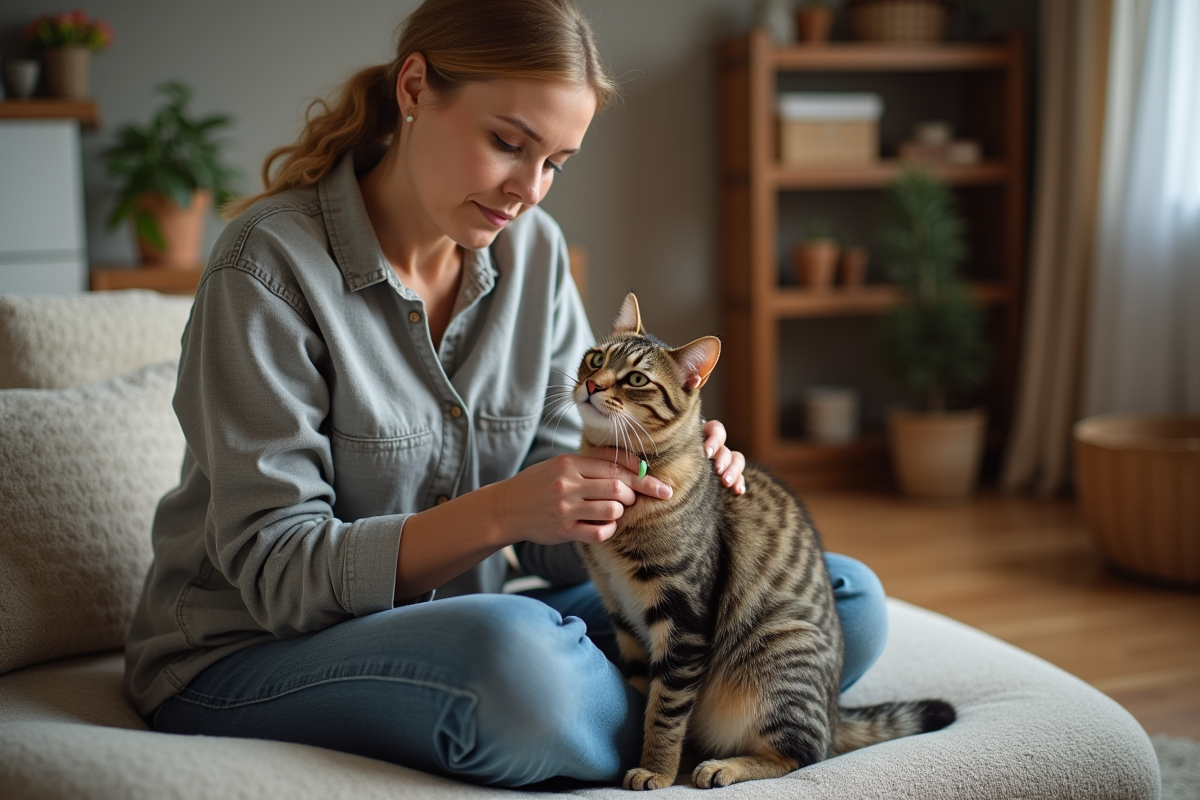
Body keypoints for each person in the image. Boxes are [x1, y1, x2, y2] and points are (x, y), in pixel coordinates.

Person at [124, 0, 889, 788]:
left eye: (556, 161)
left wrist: (666, 489)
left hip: (462, 622)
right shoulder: (266, 270)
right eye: (507, 143)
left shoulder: (534, 253)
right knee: (518, 667)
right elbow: (280, 571)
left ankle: (656, 711)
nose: (529, 190)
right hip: (247, 653)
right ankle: (673, 718)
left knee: (842, 599)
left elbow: (555, 536)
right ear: (415, 88)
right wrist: (502, 510)